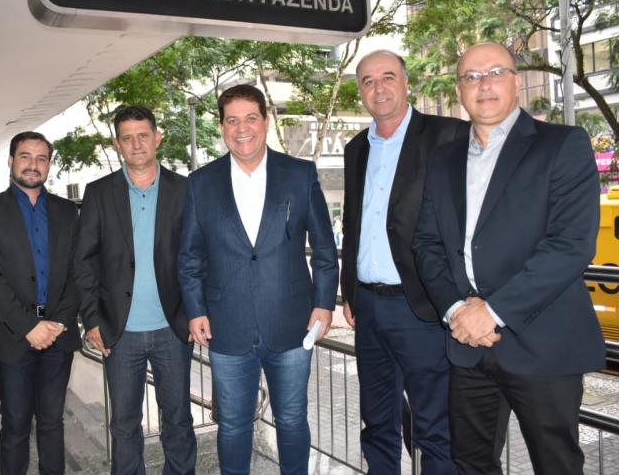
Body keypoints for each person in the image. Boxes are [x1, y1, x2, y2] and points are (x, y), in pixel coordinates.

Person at [413, 42, 605, 475]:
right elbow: (426, 244)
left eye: (495, 72)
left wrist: (492, 312)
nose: (484, 85)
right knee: (471, 462)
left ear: (516, 81)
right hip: (467, 343)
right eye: (471, 77)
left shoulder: (562, 145)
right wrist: (457, 311)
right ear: (459, 91)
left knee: (556, 465)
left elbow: (571, 244)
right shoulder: (443, 160)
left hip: (543, 342)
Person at [178, 84, 339, 475]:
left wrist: (323, 304)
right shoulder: (201, 183)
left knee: (292, 419)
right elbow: (190, 256)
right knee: (233, 425)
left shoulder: (299, 174)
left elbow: (324, 248)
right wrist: (195, 310)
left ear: (265, 121)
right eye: (232, 120)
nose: (242, 128)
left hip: (293, 324)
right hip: (226, 327)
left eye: (251, 118)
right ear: (222, 127)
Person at [340, 50, 467, 474]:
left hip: (422, 306)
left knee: (434, 427)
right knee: (377, 422)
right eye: (368, 81)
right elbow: (354, 223)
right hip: (368, 308)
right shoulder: (356, 148)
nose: (378, 88)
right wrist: (349, 289)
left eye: (388, 77)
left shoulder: (448, 135)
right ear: (360, 91)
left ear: (406, 82)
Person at [75, 106, 197, 474]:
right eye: (127, 138)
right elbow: (83, 261)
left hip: (173, 328)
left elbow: (198, 256)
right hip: (119, 331)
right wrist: (91, 320)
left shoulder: (185, 189)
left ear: (157, 137)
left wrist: (198, 312)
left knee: (178, 419)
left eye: (143, 135)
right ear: (117, 144)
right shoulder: (99, 193)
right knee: (124, 425)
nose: (136, 144)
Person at [0, 131, 81, 475]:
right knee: (15, 423)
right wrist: (28, 326)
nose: (33, 165)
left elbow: (79, 271)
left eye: (41, 158)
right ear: (10, 161)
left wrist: (58, 322)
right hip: (12, 335)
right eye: (25, 156)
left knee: (52, 422)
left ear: (49, 165)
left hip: (59, 335)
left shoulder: (68, 211)